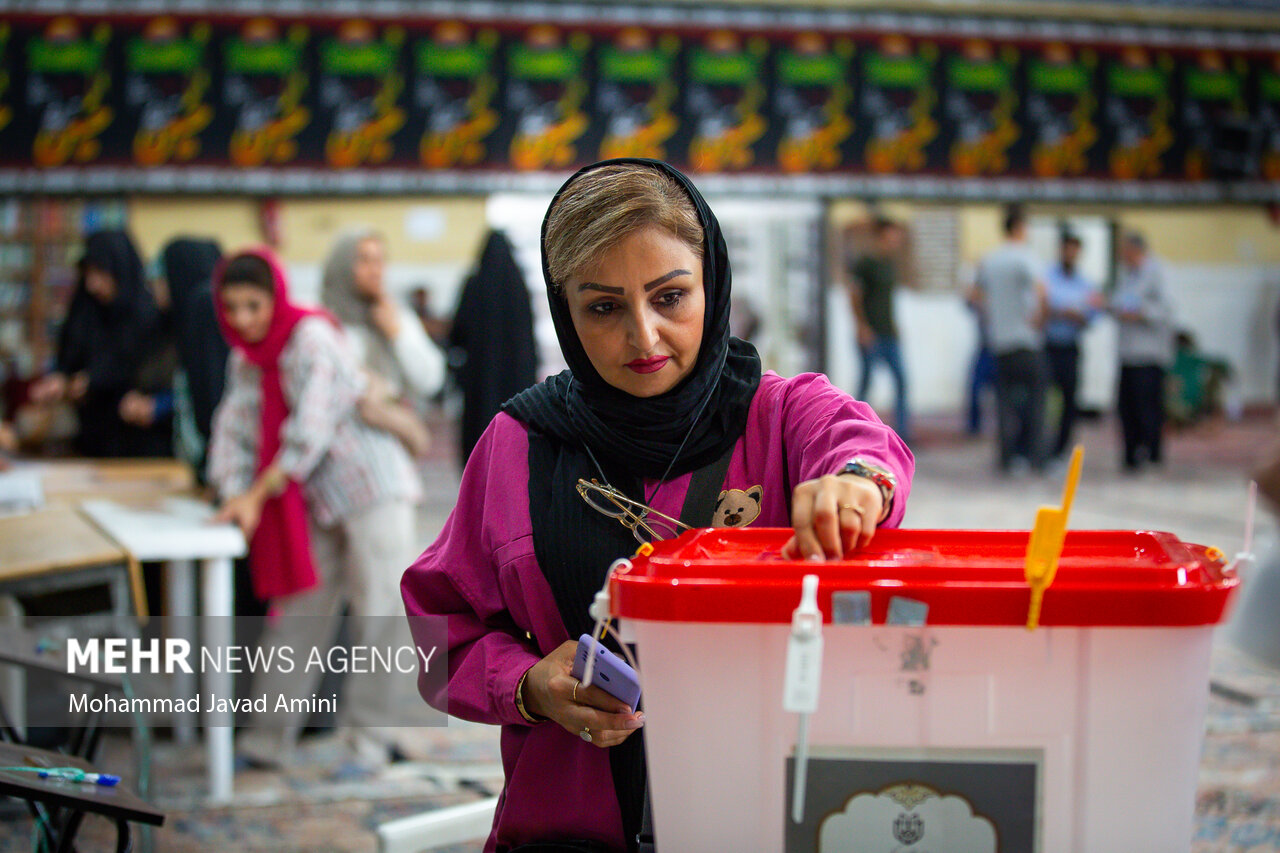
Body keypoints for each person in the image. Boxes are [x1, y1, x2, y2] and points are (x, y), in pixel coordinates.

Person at [401, 159, 913, 853]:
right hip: (568, 830)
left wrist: (856, 481)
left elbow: (862, 444)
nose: (643, 338)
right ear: (564, 309)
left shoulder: (780, 414)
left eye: (670, 297)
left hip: (763, 820)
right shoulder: (520, 444)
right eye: (604, 307)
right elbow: (440, 628)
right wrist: (526, 683)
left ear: (713, 283)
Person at [208, 247, 423, 764]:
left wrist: (256, 495)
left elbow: (311, 429)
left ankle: (370, 742)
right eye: (232, 307)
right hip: (310, 496)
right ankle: (265, 742)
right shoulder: (245, 358)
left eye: (253, 306)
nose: (243, 319)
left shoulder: (312, 339)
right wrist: (233, 493)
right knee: (298, 612)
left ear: (275, 298)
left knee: (380, 612)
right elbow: (232, 431)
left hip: (371, 487)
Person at [30, 230, 174, 457]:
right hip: (89, 438)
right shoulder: (85, 310)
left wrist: (95, 380)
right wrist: (62, 379)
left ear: (120, 270)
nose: (93, 284)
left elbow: (149, 373)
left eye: (101, 273)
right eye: (88, 274)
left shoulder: (148, 314)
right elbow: (69, 357)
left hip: (138, 441)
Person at [320, 229, 444, 459]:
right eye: (364, 261)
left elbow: (431, 381)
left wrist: (397, 335)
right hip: (338, 455)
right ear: (342, 266)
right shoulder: (324, 324)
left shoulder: (396, 316)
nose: (375, 271)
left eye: (379, 260)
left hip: (394, 452)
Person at [447, 229, 539, 467]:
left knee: (480, 433)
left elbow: (457, 333)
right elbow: (530, 336)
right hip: (517, 381)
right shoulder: (519, 286)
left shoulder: (474, 284)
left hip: (479, 381)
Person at [972, 205, 1050, 474]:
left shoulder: (990, 259)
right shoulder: (1026, 257)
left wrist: (992, 319)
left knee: (1004, 404)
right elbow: (1041, 291)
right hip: (1026, 342)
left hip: (1000, 342)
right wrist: (1039, 319)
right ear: (1019, 228)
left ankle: (1007, 459)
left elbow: (974, 295)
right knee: (1036, 402)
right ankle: (1036, 457)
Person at [154, 237, 228, 481]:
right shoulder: (183, 316)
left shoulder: (204, 305)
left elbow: (212, 390)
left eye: (162, 277)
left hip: (218, 455)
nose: (155, 286)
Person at [1110, 231, 1175, 471]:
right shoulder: (1126, 274)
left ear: (1135, 250)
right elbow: (1119, 301)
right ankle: (1131, 455)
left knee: (1148, 408)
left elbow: (1167, 310)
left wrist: (1141, 313)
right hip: (1127, 353)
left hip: (1149, 354)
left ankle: (1152, 454)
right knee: (1126, 408)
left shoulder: (1158, 271)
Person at [848, 216, 911, 444]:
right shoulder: (865, 264)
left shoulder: (889, 264)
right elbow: (854, 296)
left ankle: (903, 434)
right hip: (871, 333)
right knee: (866, 383)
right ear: (882, 236)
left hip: (889, 333)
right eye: (893, 236)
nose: (896, 241)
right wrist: (861, 326)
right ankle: (856, 431)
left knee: (902, 381)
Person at [1043, 228, 1101, 460]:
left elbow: (1092, 315)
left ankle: (1061, 450)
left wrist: (1071, 313)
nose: (1070, 254)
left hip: (1070, 347)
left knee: (1069, 401)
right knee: (1046, 402)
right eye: (1067, 249)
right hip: (1048, 347)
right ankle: (1042, 447)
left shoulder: (1085, 283)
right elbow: (1044, 307)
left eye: (1074, 250)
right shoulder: (1047, 277)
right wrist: (1064, 310)